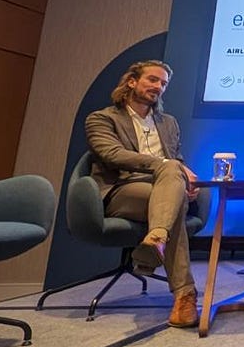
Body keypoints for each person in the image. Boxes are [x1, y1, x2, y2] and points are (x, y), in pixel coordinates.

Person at [85, 59, 201, 328]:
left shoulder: (168, 122)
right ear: (132, 82)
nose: (158, 86)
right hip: (123, 188)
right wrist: (166, 165)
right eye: (152, 79)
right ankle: (183, 292)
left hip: (165, 187)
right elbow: (112, 154)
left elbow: (177, 159)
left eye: (163, 83)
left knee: (174, 192)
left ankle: (157, 240)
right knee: (174, 194)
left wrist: (186, 179)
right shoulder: (102, 118)